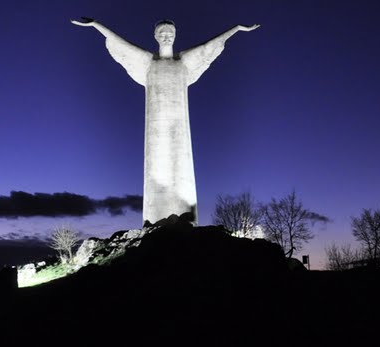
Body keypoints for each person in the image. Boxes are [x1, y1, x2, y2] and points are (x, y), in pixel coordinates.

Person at [71, 17, 259, 224]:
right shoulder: (148, 63)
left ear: (175, 36)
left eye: (170, 33)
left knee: (182, 166)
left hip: (180, 126)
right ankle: (154, 221)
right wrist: (96, 25)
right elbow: (122, 45)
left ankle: (186, 221)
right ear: (155, 36)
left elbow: (208, 47)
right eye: (162, 33)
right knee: (155, 168)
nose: (166, 36)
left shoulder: (183, 62)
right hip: (155, 127)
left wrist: (236, 29)